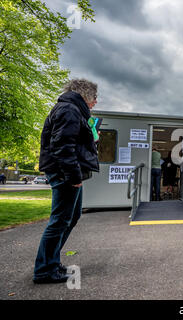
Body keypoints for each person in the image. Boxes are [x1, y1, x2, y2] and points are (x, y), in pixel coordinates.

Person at [33, 79, 99, 284]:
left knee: (72, 216)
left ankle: (50, 262)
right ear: (84, 94)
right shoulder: (69, 110)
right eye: (94, 97)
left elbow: (70, 142)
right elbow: (62, 146)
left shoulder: (71, 110)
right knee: (60, 220)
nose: (95, 102)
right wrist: (73, 176)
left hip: (66, 172)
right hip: (65, 173)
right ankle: (45, 269)